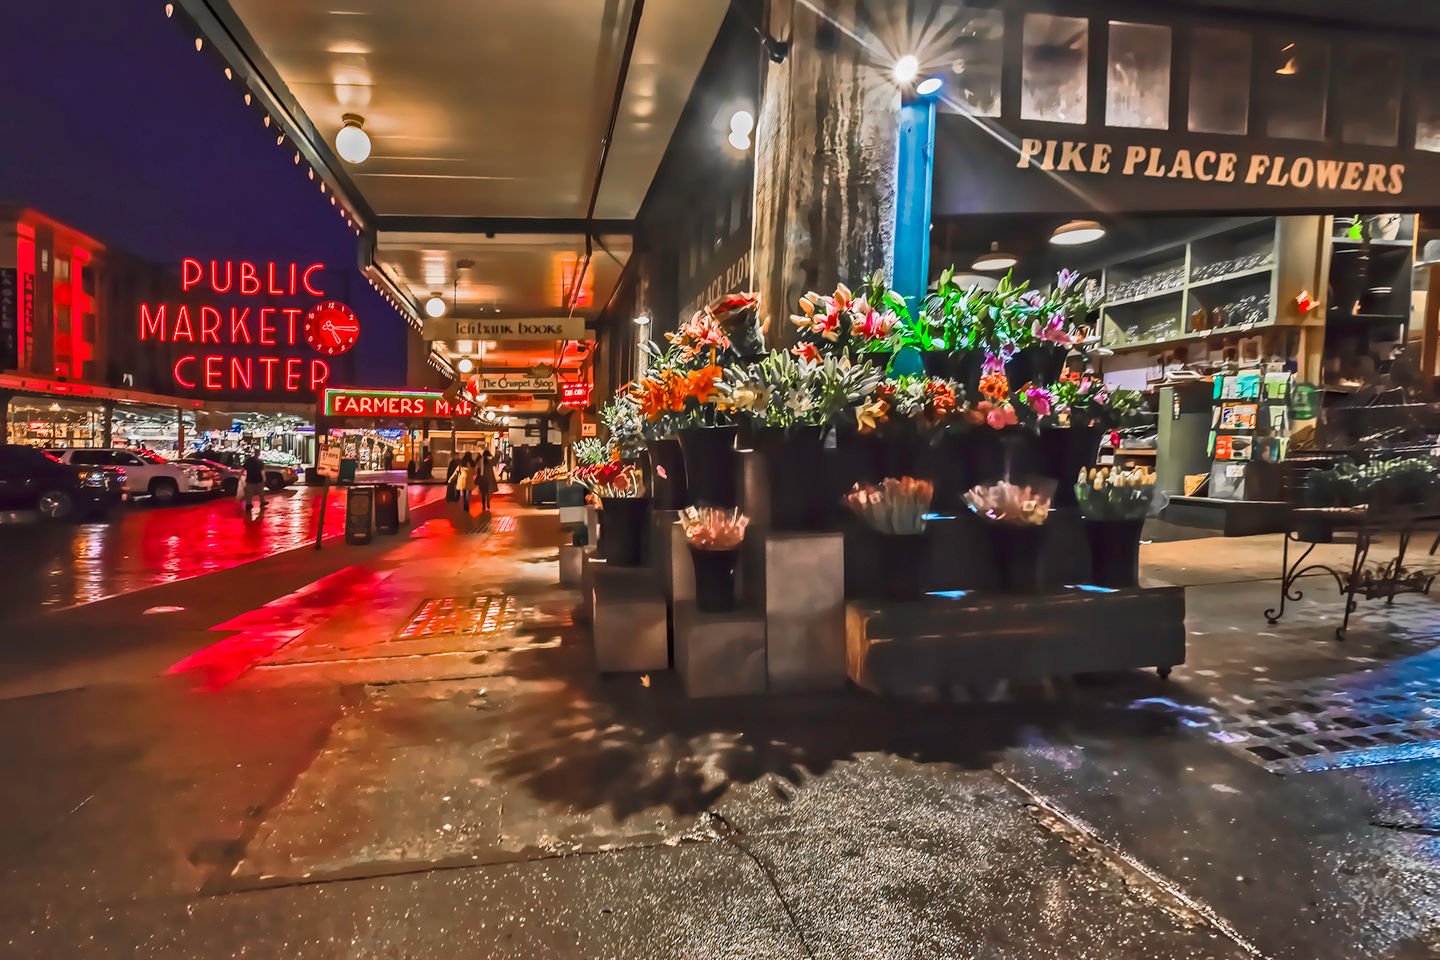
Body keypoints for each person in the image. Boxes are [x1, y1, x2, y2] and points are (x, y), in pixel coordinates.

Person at [240, 448, 267, 517]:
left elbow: (244, 468)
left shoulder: (249, 460)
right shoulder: (260, 461)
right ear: (258, 454)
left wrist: (240, 475)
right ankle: (262, 502)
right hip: (258, 479)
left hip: (250, 479)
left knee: (249, 493)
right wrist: (264, 478)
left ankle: (249, 504)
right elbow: (262, 470)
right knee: (260, 492)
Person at [479, 448, 498, 512]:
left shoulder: (481, 461)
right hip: (489, 479)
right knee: (488, 492)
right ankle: (488, 503)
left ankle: (483, 506)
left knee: (483, 493)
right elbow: (495, 460)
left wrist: (474, 479)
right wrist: (496, 453)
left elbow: (477, 470)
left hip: (482, 479)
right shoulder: (490, 461)